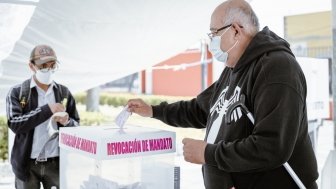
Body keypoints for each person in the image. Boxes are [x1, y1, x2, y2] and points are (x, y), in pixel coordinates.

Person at [127, 0, 318, 188]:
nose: (211, 41)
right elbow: (199, 110)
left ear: (235, 30)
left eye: (214, 33)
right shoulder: (233, 69)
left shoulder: (276, 68)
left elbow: (271, 146)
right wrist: (152, 110)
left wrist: (208, 154)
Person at [6, 44, 80, 189]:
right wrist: (47, 109)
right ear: (31, 66)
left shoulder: (64, 93)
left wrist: (67, 122)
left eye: (52, 65)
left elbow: (77, 126)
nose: (49, 70)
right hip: (27, 164)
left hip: (56, 164)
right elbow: (14, 123)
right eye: (43, 65)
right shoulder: (18, 92)